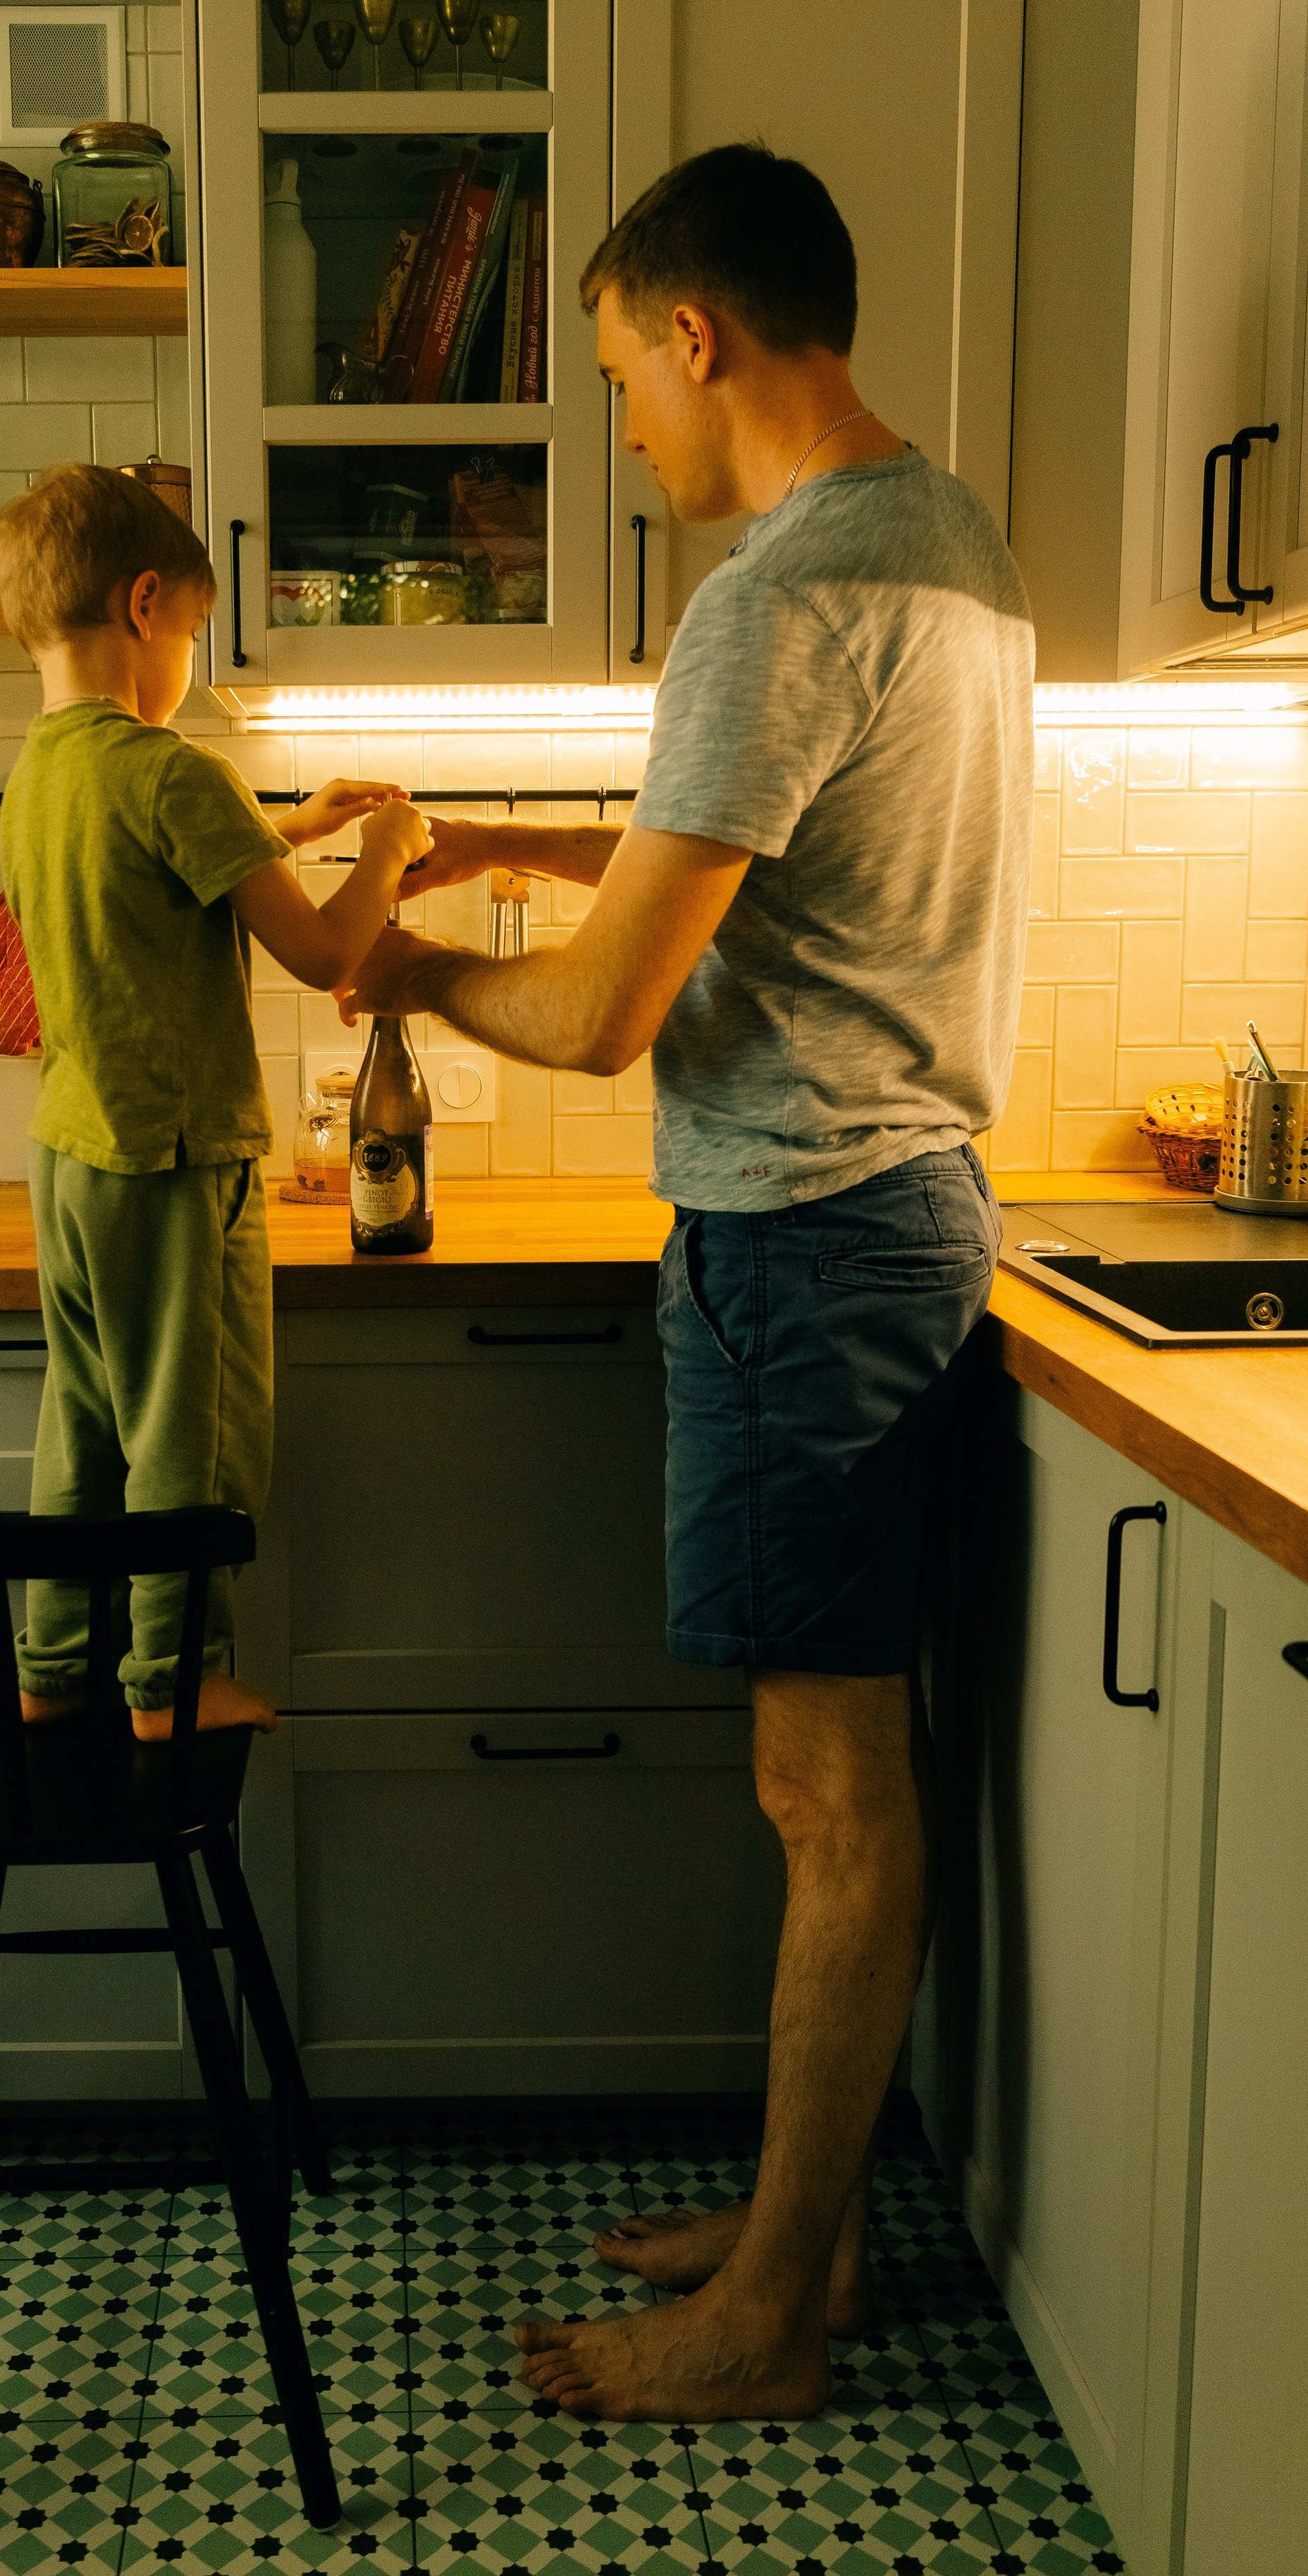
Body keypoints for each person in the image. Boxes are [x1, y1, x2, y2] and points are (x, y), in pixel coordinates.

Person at [339, 145, 1034, 2420]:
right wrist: (517, 843)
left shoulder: (778, 594)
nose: (625, 424)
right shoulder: (949, 543)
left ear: (696, 333)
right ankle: (800, 2231)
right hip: (900, 1215)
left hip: (803, 1243)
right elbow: (749, 859)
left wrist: (415, 970)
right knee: (835, 1776)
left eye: (622, 371)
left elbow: (608, 1014)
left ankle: (766, 2326)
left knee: (831, 1794)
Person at [0, 463, 429, 1739]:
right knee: (195, 1429)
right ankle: (171, 1685)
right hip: (176, 1158)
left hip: (73, 1154)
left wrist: (291, 826)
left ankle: (53, 1667)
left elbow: (152, 864)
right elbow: (326, 954)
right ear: (145, 605)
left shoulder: (44, 769)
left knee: (84, 1424)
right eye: (190, 627)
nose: (187, 655)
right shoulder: (172, 769)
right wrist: (383, 853)